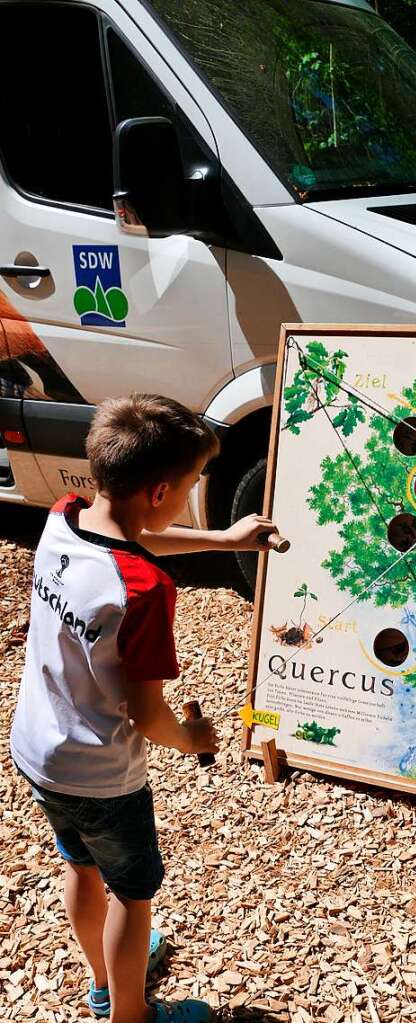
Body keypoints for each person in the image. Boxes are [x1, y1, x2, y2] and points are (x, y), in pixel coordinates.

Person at [9, 393, 279, 1023]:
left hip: (39, 750)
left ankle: (104, 981)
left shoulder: (63, 515)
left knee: (79, 862)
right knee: (132, 895)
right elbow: (146, 717)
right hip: (101, 775)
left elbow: (138, 536)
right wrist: (193, 740)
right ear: (161, 492)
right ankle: (130, 1015)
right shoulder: (144, 591)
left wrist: (221, 536)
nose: (188, 497)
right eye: (189, 487)